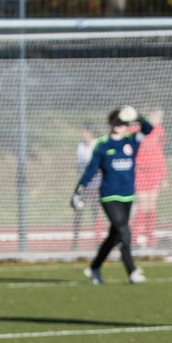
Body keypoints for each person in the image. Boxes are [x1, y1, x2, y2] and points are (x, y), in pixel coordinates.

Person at [71, 105, 155, 285]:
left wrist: (137, 116)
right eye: (117, 121)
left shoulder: (131, 141)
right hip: (109, 195)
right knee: (124, 231)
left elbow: (148, 129)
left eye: (124, 122)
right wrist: (79, 189)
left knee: (115, 236)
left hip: (127, 195)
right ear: (111, 122)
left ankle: (94, 267)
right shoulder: (103, 145)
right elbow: (91, 169)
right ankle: (132, 271)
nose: (120, 125)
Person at [133, 108, 166, 247]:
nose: (158, 118)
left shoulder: (160, 131)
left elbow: (161, 152)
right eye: (156, 115)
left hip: (155, 172)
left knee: (151, 206)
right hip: (140, 172)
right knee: (141, 204)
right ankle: (134, 238)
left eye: (160, 116)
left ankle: (150, 238)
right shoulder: (138, 129)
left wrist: (164, 175)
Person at [72, 126, 103, 250]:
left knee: (96, 212)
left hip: (97, 185)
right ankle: (75, 240)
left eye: (85, 131)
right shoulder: (80, 147)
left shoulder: (97, 145)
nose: (83, 134)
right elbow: (78, 165)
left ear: (90, 133)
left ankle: (98, 240)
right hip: (85, 185)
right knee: (78, 211)